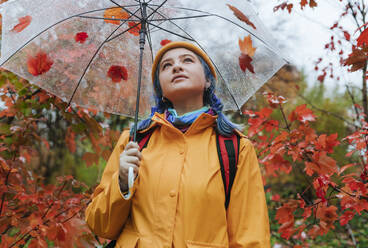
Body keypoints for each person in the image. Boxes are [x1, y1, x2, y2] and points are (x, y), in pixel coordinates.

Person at [85, 41, 270, 248]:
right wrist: (121, 183)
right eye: (166, 65)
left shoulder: (235, 148)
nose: (176, 67)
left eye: (187, 61)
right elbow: (100, 225)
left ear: (208, 80)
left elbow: (250, 238)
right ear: (161, 89)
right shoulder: (134, 141)